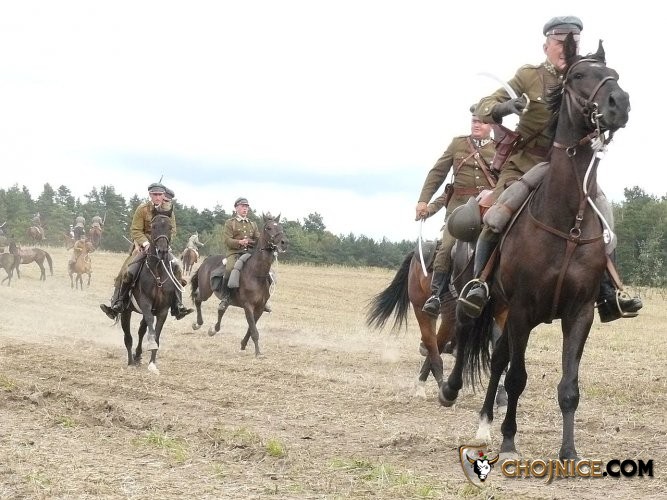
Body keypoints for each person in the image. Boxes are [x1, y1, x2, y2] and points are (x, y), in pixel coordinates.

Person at [459, 16, 642, 322]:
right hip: (527, 164)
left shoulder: (584, 74)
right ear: (546, 46)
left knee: (604, 218)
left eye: (573, 42)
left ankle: (609, 292)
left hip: (571, 172)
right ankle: (479, 283)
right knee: (496, 214)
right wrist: (506, 107)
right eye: (560, 42)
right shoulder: (529, 75)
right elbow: (484, 105)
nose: (566, 47)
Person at [415, 108, 496, 316]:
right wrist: (424, 201)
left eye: (482, 122)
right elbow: (437, 173)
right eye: (474, 120)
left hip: (488, 209)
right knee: (447, 246)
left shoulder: (499, 149)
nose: (476, 125)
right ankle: (436, 295)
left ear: (492, 125)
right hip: (459, 211)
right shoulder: (458, 144)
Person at [100, 182, 194, 321]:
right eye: (155, 194)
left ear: (163, 195)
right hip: (143, 247)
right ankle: (117, 304)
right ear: (150, 195)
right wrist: (145, 243)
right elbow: (136, 229)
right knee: (126, 271)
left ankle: (177, 306)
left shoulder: (169, 211)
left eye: (160, 194)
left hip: (162, 246)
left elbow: (172, 230)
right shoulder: (142, 209)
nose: (158, 197)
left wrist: (164, 241)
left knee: (177, 268)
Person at [219, 197, 272, 313]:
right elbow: (227, 240)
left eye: (247, 207)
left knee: (267, 271)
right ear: (236, 208)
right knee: (229, 268)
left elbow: (258, 238)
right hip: (235, 252)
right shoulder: (230, 223)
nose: (245, 209)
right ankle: (225, 297)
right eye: (243, 206)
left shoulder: (252, 224)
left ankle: (263, 299)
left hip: (250, 253)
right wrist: (239, 242)